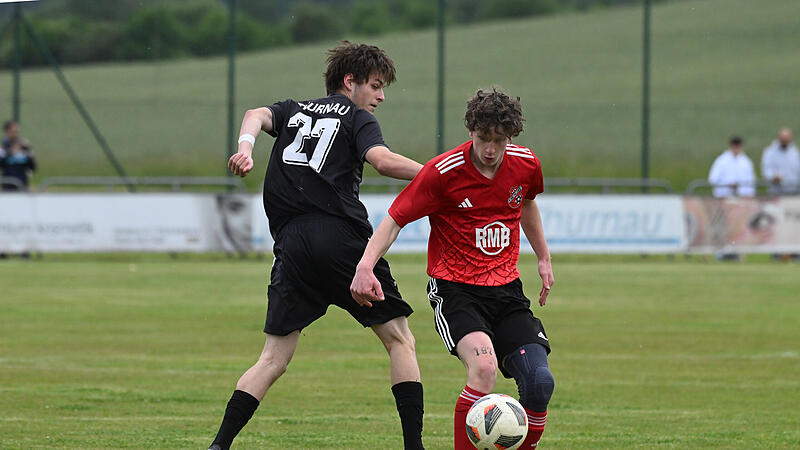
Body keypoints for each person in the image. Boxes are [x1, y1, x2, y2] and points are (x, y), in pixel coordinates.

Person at [208, 42, 425, 450]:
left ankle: (219, 445)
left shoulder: (293, 110)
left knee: (272, 359)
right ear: (350, 82)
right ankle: (414, 447)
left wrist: (245, 148)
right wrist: (440, 175)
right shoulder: (358, 118)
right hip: (340, 238)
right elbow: (382, 160)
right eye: (376, 86)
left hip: (291, 245)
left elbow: (254, 114)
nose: (380, 97)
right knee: (400, 340)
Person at [352, 87, 555, 449]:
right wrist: (365, 266)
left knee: (540, 383)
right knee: (484, 369)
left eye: (498, 140)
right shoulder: (443, 172)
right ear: (470, 131)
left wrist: (542, 257)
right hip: (456, 290)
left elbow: (527, 204)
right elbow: (394, 220)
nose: (489, 149)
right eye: (482, 138)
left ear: (510, 136)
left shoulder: (526, 164)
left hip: (507, 291)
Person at [760, 127, 800, 195]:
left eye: (786, 138)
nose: (784, 140)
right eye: (783, 138)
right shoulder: (770, 152)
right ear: (779, 138)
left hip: (794, 192)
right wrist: (773, 177)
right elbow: (766, 169)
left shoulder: (795, 153)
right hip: (776, 192)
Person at [1, 120, 36, 191]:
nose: (15, 134)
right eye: (12, 132)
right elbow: (1, 164)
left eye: (16, 132)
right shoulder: (3, 147)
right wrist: (11, 153)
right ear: (7, 132)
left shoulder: (24, 147)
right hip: (7, 186)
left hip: (23, 185)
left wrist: (28, 152)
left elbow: (33, 167)